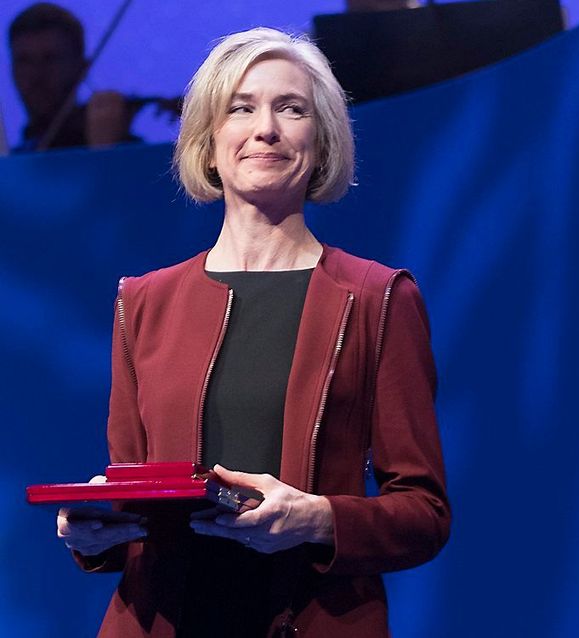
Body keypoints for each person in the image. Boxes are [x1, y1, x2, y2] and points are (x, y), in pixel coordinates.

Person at [55, 27, 451, 636]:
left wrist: (316, 518)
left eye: (289, 109)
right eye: (241, 108)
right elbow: (129, 493)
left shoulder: (379, 298)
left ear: (319, 145)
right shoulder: (143, 302)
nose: (265, 128)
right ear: (209, 145)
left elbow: (424, 514)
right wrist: (90, 526)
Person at [9, 2, 138, 151]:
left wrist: (106, 152)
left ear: (81, 67)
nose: (36, 74)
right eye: (24, 61)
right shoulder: (15, 157)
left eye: (50, 59)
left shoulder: (129, 150)